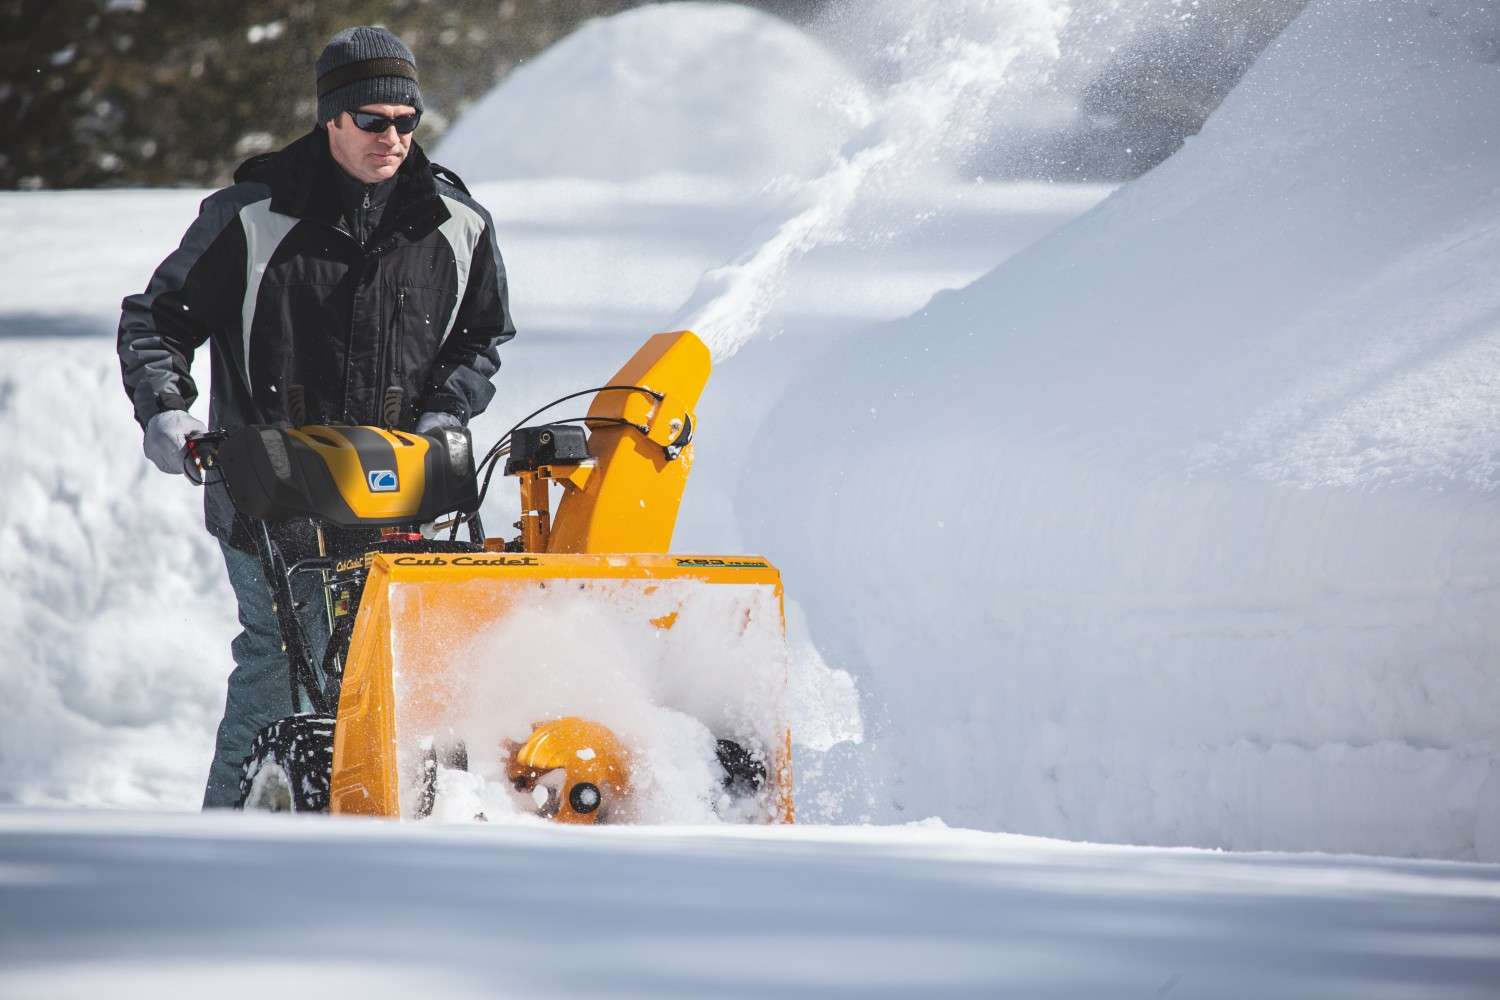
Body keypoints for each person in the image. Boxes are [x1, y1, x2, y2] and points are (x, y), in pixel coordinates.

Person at [117, 26, 515, 808]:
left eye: (407, 122)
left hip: (400, 484)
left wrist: (444, 413)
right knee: (283, 655)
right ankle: (234, 824)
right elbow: (157, 321)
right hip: (272, 482)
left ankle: (406, 820)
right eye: (373, 120)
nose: (392, 138)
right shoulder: (251, 216)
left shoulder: (456, 223)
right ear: (330, 117)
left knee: (406, 660)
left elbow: (480, 339)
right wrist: (167, 412)